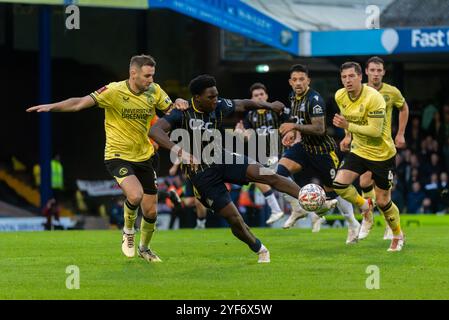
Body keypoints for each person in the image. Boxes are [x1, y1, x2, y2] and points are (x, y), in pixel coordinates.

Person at [27, 54, 188, 262]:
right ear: (133, 73)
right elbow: (79, 103)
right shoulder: (113, 91)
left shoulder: (154, 91)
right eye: (147, 76)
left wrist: (180, 102)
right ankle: (128, 232)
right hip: (117, 155)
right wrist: (52, 106)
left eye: (152, 75)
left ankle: (145, 248)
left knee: (151, 212)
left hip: (145, 156)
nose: (151, 80)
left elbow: (171, 111)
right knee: (135, 195)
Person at [150, 74, 309, 263]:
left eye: (216, 95)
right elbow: (154, 131)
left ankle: (310, 199)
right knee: (235, 219)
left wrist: (269, 105)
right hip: (201, 175)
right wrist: (179, 151)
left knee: (268, 175)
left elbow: (242, 103)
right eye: (211, 97)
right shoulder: (181, 112)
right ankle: (260, 248)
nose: (215, 99)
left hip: (222, 157)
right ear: (197, 98)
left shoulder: (218, 105)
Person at [273, 64, 360, 244]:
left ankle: (353, 224)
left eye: (302, 79)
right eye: (295, 80)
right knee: (279, 172)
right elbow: (297, 121)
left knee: (336, 190)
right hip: (304, 147)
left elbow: (320, 129)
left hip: (323, 151)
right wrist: (292, 134)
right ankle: (297, 207)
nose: (298, 83)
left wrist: (294, 127)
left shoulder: (315, 100)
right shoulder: (293, 97)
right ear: (290, 82)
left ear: (308, 81)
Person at [333, 61, 405, 252]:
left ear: (360, 77)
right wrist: (347, 137)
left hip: (382, 154)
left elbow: (374, 131)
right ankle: (365, 207)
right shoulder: (340, 95)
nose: (347, 80)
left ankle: (397, 234)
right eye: (344, 77)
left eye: (351, 76)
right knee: (339, 184)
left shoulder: (375, 98)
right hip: (359, 151)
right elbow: (347, 115)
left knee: (383, 201)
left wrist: (347, 127)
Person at [356, 56, 409, 240]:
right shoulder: (359, 90)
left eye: (379, 70)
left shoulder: (391, 92)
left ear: (384, 72)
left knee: (383, 194)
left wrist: (400, 133)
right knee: (363, 182)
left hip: (383, 149)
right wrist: (347, 135)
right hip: (362, 145)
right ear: (366, 72)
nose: (376, 74)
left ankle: (390, 224)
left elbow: (403, 108)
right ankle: (368, 217)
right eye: (373, 70)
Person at [234, 82, 285, 225]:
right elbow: (248, 137)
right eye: (256, 95)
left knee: (280, 181)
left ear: (267, 96)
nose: (259, 97)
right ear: (252, 99)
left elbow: (288, 125)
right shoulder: (250, 116)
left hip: (279, 152)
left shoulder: (276, 110)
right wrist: (239, 134)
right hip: (263, 154)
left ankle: (304, 207)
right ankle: (278, 210)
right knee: (258, 178)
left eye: (261, 94)